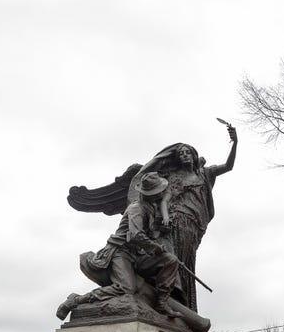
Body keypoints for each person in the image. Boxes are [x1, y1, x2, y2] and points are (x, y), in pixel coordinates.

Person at [139, 124, 237, 310]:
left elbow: (228, 166)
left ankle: (184, 305)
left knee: (187, 263)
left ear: (193, 156)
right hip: (177, 222)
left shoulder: (205, 173)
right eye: (181, 153)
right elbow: (165, 200)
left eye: (187, 152)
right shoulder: (173, 177)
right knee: (176, 262)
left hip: (194, 226)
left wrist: (235, 142)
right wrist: (166, 217)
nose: (184, 155)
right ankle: (170, 300)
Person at [56, 172, 179, 319]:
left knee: (171, 260)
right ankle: (75, 300)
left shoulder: (151, 207)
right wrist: (155, 247)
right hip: (121, 252)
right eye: (159, 191)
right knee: (126, 288)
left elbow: (148, 234)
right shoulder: (137, 208)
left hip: (138, 255)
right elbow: (135, 236)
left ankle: (161, 303)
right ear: (151, 194)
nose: (162, 193)